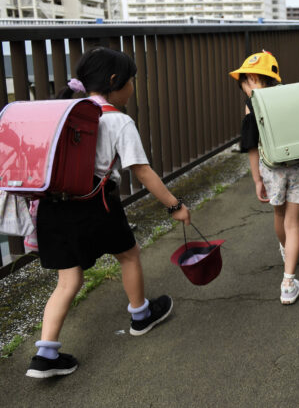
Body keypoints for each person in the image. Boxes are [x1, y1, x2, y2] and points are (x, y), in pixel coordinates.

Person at [27, 47, 190, 379]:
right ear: (116, 82)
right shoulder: (117, 119)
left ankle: (44, 355)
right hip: (97, 204)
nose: (132, 88)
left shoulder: (61, 112)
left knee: (68, 281)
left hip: (53, 208)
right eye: (131, 81)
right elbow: (142, 171)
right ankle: (141, 315)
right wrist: (175, 206)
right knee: (128, 255)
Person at [229, 51, 299, 305]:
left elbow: (252, 148)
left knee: (279, 216)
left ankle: (285, 249)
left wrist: (257, 180)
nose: (244, 88)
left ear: (253, 79)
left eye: (244, 83)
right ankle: (288, 283)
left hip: (272, 168)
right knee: (294, 223)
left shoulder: (253, 107)